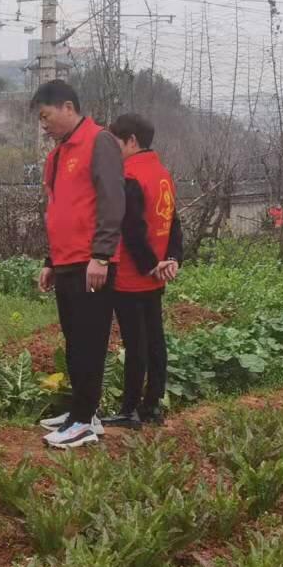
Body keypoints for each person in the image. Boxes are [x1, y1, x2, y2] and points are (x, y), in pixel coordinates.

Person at [31, 78, 125, 449]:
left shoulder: (98, 142)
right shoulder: (58, 153)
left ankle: (84, 420)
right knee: (74, 341)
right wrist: (50, 260)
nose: (43, 124)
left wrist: (101, 255)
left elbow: (111, 200)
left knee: (89, 341)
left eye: (46, 115)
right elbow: (60, 210)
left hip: (92, 262)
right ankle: (81, 412)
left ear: (68, 107)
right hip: (67, 262)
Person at [104, 113, 183, 428]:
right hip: (156, 274)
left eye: (116, 143)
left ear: (131, 141)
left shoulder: (130, 176)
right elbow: (173, 222)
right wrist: (172, 258)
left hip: (132, 276)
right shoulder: (162, 174)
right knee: (155, 340)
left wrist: (151, 265)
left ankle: (129, 409)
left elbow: (132, 231)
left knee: (135, 344)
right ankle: (152, 406)